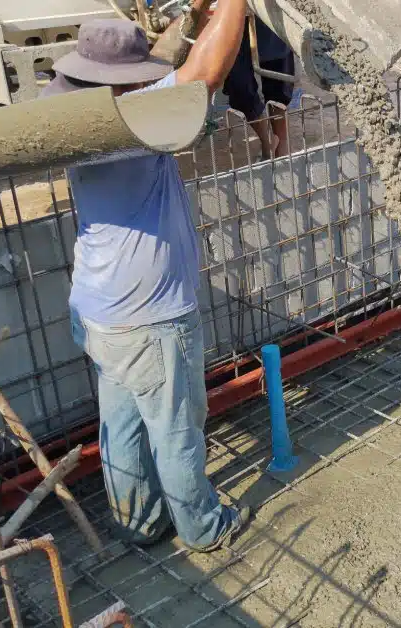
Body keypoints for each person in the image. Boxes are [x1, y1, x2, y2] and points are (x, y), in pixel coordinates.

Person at [39, 0, 251, 553]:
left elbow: (168, 69)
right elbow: (203, 76)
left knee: (124, 426)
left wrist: (192, 20)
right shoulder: (130, 126)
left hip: (98, 312)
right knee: (176, 429)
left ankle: (139, 524)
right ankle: (203, 528)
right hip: (151, 319)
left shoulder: (76, 123)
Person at [223, 16, 296, 160]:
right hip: (230, 15)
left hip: (268, 12)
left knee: (278, 78)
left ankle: (282, 144)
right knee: (238, 84)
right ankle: (268, 140)